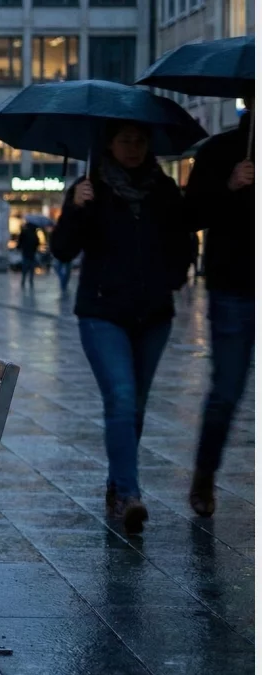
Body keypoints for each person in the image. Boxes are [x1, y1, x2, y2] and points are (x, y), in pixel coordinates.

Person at [50, 121, 190, 535]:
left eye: (140, 140)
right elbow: (62, 250)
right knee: (122, 398)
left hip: (154, 316)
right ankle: (129, 494)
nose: (133, 147)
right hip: (102, 313)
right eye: (125, 140)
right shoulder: (88, 187)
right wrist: (75, 208)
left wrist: (171, 279)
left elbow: (184, 240)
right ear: (109, 144)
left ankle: (117, 484)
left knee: (136, 406)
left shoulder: (164, 189)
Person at [183, 101, 254, 517]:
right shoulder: (219, 151)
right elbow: (191, 214)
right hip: (235, 286)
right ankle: (205, 474)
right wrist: (230, 185)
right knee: (227, 391)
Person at [18, 223, 40, 289]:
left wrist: (19, 247)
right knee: (31, 268)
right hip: (32, 253)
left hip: (25, 252)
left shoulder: (24, 232)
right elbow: (37, 243)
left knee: (25, 267)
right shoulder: (34, 234)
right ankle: (31, 280)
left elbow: (20, 241)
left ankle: (23, 280)